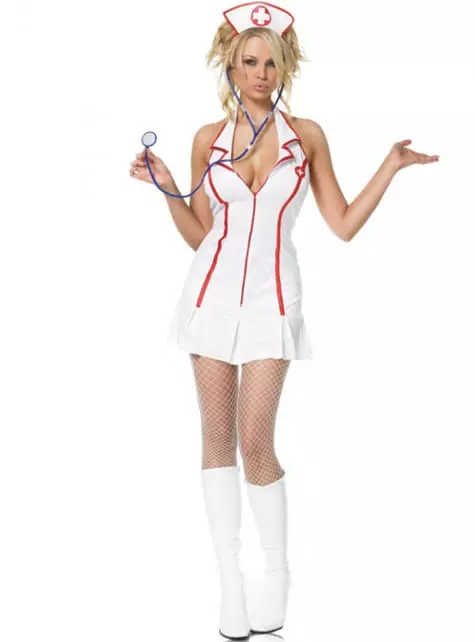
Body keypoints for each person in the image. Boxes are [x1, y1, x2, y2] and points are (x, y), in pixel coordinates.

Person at [129, 3, 439, 639]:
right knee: (216, 441)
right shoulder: (205, 140)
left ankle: (277, 574)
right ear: (231, 65)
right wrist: (166, 186)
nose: (261, 73)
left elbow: (343, 224)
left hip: (273, 300)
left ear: (284, 68)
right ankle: (230, 583)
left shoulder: (307, 136)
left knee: (256, 443)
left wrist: (390, 165)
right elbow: (203, 236)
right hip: (209, 298)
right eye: (250, 62)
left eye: (271, 63)